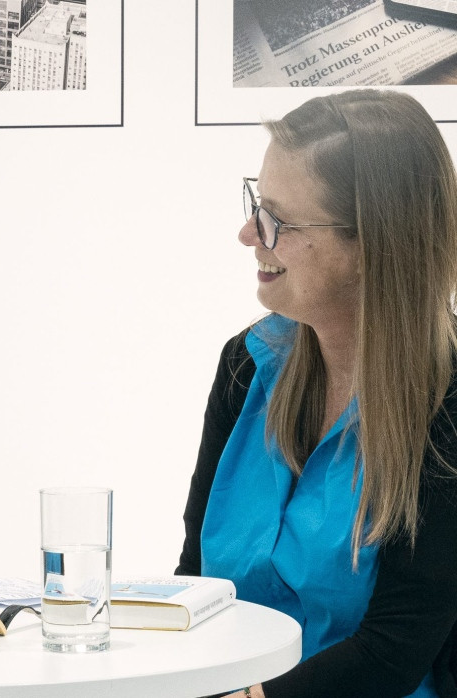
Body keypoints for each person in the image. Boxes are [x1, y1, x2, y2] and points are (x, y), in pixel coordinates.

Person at [177, 88, 457, 698]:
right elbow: (195, 582)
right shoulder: (246, 366)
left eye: (276, 218)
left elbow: (396, 647)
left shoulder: (448, 403)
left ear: (373, 243)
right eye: (256, 202)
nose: (248, 233)